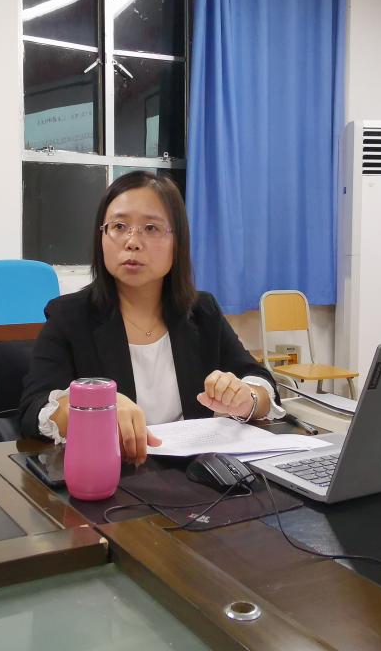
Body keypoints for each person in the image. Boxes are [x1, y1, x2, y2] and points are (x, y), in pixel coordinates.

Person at [19, 171, 282, 463]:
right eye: (119, 226)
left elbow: (260, 382)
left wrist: (247, 398)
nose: (132, 242)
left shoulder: (202, 311)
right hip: (115, 474)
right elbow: (34, 410)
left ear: (177, 242)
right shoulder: (69, 317)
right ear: (102, 236)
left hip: (196, 475)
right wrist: (93, 406)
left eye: (151, 228)